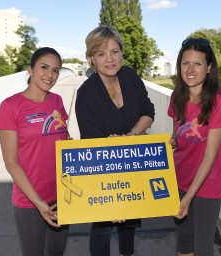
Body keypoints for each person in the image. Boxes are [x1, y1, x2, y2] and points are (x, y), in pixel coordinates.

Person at [75, 25, 155, 256]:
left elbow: (148, 112)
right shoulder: (86, 94)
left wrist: (130, 138)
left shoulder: (130, 77)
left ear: (121, 52)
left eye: (114, 51)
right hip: (103, 171)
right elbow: (91, 143)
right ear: (92, 58)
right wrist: (111, 198)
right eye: (101, 53)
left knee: (129, 223)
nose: (109, 59)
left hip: (132, 166)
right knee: (101, 228)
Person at [0, 47, 70, 256]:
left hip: (63, 196)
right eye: (44, 68)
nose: (50, 75)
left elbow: (65, 141)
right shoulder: (10, 106)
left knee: (57, 251)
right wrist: (38, 203)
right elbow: (11, 162)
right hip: (30, 201)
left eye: (56, 70)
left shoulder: (57, 101)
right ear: (30, 69)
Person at [167, 38, 221, 256]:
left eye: (197, 64)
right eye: (185, 63)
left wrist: (188, 198)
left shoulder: (218, 103)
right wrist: (171, 143)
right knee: (184, 243)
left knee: (203, 248)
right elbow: (177, 136)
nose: (190, 69)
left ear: (209, 67)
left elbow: (210, 156)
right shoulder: (177, 96)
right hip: (180, 179)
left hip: (207, 186)